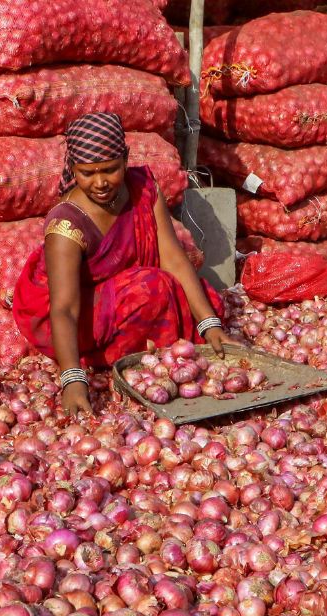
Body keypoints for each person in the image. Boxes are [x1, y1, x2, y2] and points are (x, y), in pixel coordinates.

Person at [12, 113, 227, 417]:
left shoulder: (143, 188)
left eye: (110, 170)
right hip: (74, 310)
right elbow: (63, 308)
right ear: (73, 168)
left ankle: (161, 354)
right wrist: (72, 379)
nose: (100, 183)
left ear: (125, 158)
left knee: (202, 297)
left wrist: (209, 324)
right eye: (87, 173)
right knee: (152, 288)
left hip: (123, 286)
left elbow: (174, 258)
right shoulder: (66, 225)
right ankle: (118, 357)